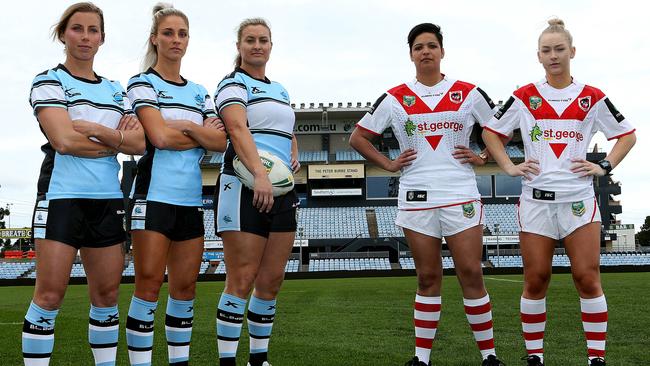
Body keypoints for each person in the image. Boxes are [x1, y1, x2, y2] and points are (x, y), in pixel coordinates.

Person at [482, 18, 636, 366]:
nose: (553, 56)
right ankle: (534, 356)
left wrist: (604, 166)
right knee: (536, 279)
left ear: (572, 52)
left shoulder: (592, 97)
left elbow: (627, 135)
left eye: (559, 49)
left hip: (579, 201)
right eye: (547, 50)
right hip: (535, 201)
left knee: (587, 277)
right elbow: (492, 132)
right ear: (538, 56)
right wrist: (508, 166)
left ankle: (596, 358)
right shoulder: (524, 96)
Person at [350, 23, 505, 366]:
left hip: (460, 193)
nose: (425, 51)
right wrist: (389, 164)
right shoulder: (394, 98)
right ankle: (421, 358)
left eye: (431, 45)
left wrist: (483, 157)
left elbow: (501, 128)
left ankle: (490, 355)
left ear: (442, 51)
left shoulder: (468, 92)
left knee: (471, 272)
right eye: (418, 47)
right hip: (417, 196)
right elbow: (358, 138)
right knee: (427, 276)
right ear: (411, 54)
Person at [23, 2, 144, 366]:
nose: (85, 37)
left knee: (107, 297)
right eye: (77, 28)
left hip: (108, 200)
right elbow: (63, 141)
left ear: (102, 38)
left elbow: (139, 145)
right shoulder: (49, 81)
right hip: (61, 197)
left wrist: (93, 131)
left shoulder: (114, 89)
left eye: (93, 30)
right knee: (49, 296)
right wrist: (113, 143)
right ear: (63, 34)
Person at [124, 3, 226, 366]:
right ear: (155, 38)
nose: (176, 40)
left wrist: (183, 129)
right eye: (168, 33)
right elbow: (158, 138)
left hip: (190, 200)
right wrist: (198, 132)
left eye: (182, 34)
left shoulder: (200, 91)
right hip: (152, 197)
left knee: (184, 290)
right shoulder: (142, 83)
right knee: (148, 287)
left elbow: (222, 142)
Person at [213, 18, 300, 366]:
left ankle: (258, 359)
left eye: (263, 40)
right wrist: (260, 175)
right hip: (243, 185)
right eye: (250, 40)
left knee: (271, 280)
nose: (257, 45)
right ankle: (227, 362)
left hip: (280, 190)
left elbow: (280, 128)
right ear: (239, 46)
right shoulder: (232, 83)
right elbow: (235, 126)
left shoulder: (280, 89)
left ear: (271, 45)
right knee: (242, 278)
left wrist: (293, 147)